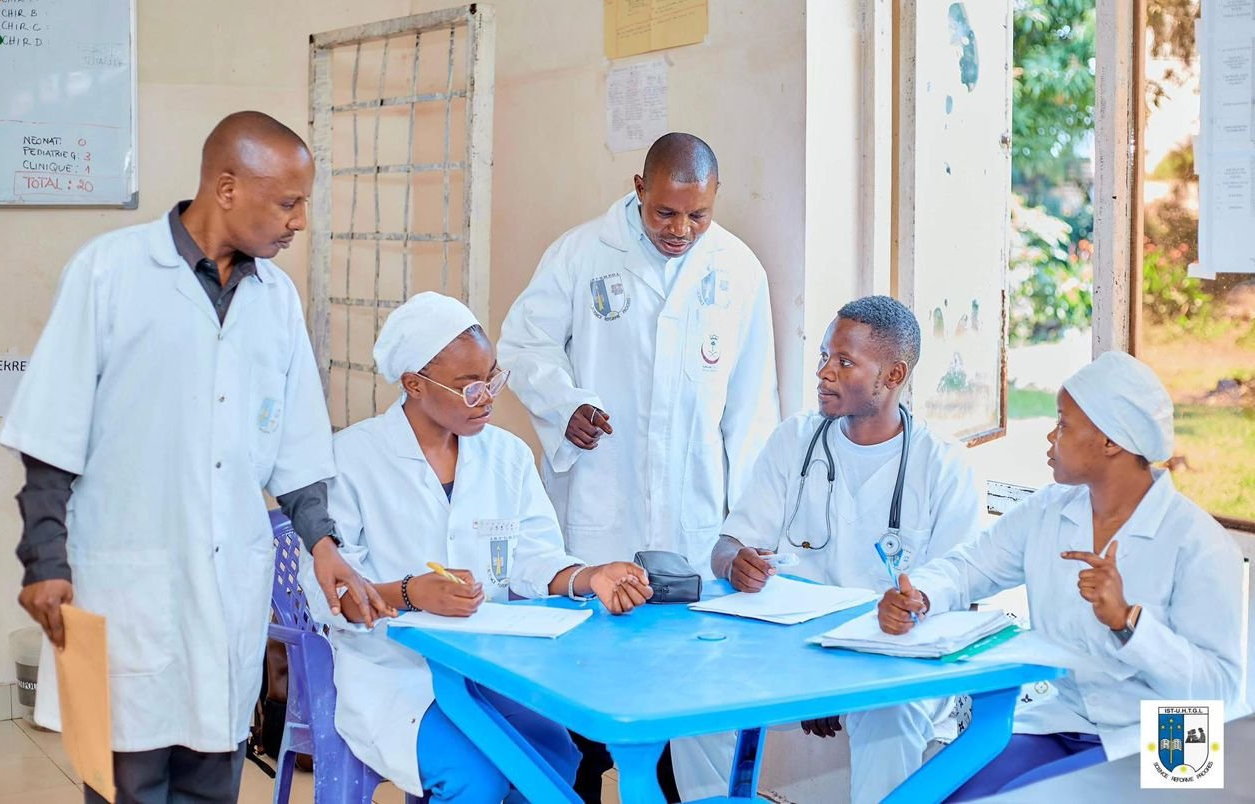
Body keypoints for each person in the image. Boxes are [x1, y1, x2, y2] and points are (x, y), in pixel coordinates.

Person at [0, 111, 390, 803]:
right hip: (120, 585)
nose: (299, 221)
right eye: (288, 202)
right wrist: (46, 563)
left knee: (214, 780)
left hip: (225, 593)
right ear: (228, 186)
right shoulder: (109, 272)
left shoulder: (277, 301)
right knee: (125, 784)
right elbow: (50, 439)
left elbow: (297, 449)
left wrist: (323, 545)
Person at [498, 132, 779, 801]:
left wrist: (745, 529)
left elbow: (752, 408)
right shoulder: (580, 254)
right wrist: (566, 404)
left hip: (692, 518)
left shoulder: (739, 271)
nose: (681, 229)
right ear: (638, 189)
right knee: (583, 699)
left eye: (698, 215)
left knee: (686, 696)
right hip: (601, 508)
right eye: (665, 213)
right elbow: (523, 342)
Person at [301, 292, 654, 802]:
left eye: (492, 379)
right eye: (469, 388)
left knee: (556, 761)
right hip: (397, 674)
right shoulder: (351, 460)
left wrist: (588, 576)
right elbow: (327, 597)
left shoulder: (507, 455)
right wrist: (410, 593)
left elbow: (534, 556)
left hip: (494, 668)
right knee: (476, 777)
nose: (487, 397)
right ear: (414, 385)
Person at [880, 352, 1243, 800]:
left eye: (1064, 425)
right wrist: (922, 595)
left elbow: (1220, 692)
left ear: (1111, 441)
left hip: (1171, 743)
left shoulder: (1196, 543)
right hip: (1067, 719)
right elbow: (972, 566)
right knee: (936, 794)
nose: (1050, 437)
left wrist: (1129, 623)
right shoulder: (1052, 511)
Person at [698, 296, 980, 803]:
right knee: (695, 703)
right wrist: (734, 563)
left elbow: (953, 594)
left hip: (891, 664)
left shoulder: (943, 467)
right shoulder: (795, 441)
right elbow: (728, 543)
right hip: (790, 653)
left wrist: (842, 674)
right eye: (825, 355)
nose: (824, 372)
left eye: (844, 362)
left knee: (892, 718)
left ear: (893, 375)